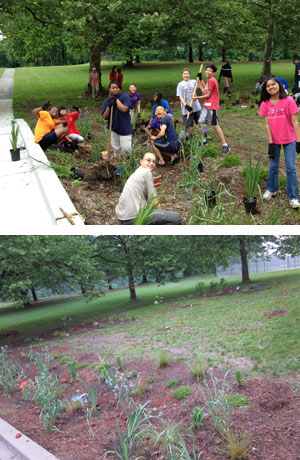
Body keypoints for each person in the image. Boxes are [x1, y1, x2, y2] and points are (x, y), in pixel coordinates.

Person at [259, 76, 300, 208]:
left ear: (280, 85)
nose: (271, 87)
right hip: (274, 141)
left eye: (273, 84)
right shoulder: (265, 103)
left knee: (291, 168)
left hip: (290, 139)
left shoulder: (289, 101)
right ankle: (272, 189)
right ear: (265, 89)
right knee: (273, 167)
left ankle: (293, 197)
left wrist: (298, 141)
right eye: (268, 86)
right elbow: (267, 125)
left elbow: (295, 121)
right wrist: (270, 143)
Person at [116, 151, 181, 224]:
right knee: (176, 218)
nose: (151, 163)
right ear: (141, 161)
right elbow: (153, 200)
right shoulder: (147, 173)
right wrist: (161, 214)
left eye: (154, 161)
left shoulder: (138, 171)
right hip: (134, 218)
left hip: (122, 217)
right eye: (148, 160)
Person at [192, 64, 230, 154]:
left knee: (215, 125)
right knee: (200, 123)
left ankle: (225, 145)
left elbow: (208, 95)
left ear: (213, 73)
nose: (207, 72)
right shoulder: (208, 80)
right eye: (206, 70)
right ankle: (204, 141)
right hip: (206, 105)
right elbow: (205, 91)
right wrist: (200, 82)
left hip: (212, 106)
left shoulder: (212, 80)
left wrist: (196, 98)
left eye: (210, 70)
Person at [102, 80, 132, 158]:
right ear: (109, 89)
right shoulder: (107, 101)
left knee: (126, 148)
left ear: (120, 89)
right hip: (113, 128)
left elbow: (124, 109)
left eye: (117, 87)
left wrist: (116, 100)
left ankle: (127, 163)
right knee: (116, 149)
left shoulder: (125, 97)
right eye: (113, 88)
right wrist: (109, 105)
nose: (115, 89)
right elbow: (105, 116)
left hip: (124, 127)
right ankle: (119, 164)